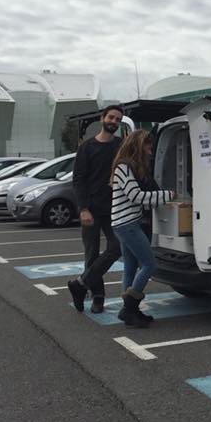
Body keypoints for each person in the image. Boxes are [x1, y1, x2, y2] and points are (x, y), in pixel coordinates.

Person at [110, 130, 174, 327]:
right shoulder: (123, 167)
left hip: (126, 222)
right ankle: (128, 309)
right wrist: (166, 195)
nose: (150, 149)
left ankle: (130, 311)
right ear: (138, 145)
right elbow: (136, 196)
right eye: (148, 145)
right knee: (149, 264)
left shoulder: (130, 167)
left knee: (130, 266)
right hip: (127, 224)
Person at [68, 105, 124, 314]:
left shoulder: (121, 146)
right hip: (91, 209)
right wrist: (83, 209)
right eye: (111, 117)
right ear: (102, 118)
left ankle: (80, 285)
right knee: (91, 254)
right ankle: (98, 297)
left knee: (116, 247)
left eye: (118, 120)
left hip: (114, 209)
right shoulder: (87, 147)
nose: (114, 122)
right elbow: (78, 180)